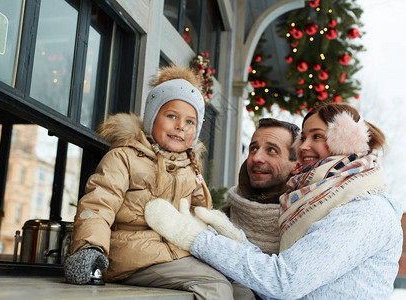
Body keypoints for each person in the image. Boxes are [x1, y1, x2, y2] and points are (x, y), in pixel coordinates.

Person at [145, 103, 403, 299]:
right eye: (304, 137)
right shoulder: (315, 201)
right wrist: (234, 239)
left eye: (318, 136)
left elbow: (284, 281)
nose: (303, 147)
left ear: (347, 141)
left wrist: (197, 239)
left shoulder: (363, 210)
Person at [63, 64, 255, 300]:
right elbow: (99, 204)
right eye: (172, 116)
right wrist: (90, 247)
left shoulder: (190, 166)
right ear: (153, 117)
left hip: (178, 253)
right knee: (216, 287)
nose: (180, 127)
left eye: (190, 122)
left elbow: (199, 214)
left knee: (243, 287)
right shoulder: (125, 157)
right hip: (133, 256)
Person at [224, 118, 300, 255]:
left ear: (296, 165)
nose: (256, 158)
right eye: (253, 148)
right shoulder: (222, 218)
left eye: (271, 150)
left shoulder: (310, 221)